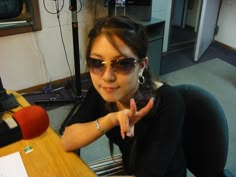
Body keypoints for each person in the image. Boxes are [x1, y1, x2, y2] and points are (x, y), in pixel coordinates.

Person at [61, 15, 186, 177]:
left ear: (141, 66)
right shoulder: (103, 91)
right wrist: (111, 119)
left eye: (123, 63)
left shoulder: (169, 102)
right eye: (97, 63)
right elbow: (67, 140)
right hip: (129, 167)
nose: (107, 77)